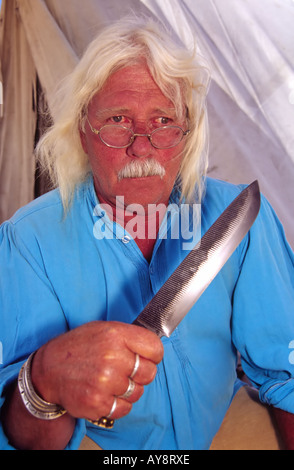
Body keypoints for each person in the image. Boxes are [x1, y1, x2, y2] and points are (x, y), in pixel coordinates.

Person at [0, 16, 294, 451]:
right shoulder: (27, 243)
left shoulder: (238, 219)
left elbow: (285, 373)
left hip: (224, 428)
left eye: (163, 121)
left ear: (188, 131)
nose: (142, 145)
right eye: (118, 119)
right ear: (83, 130)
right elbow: (20, 435)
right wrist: (42, 381)